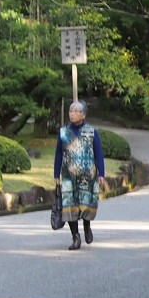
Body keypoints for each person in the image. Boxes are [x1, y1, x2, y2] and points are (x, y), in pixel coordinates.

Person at [54, 100, 105, 250]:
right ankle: (75, 237)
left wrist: (101, 173)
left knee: (85, 205)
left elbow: (99, 152)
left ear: (83, 114)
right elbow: (58, 153)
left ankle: (87, 225)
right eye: (70, 111)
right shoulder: (63, 132)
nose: (72, 114)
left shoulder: (91, 131)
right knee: (70, 207)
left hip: (88, 176)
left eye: (75, 111)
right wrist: (56, 173)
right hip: (68, 175)